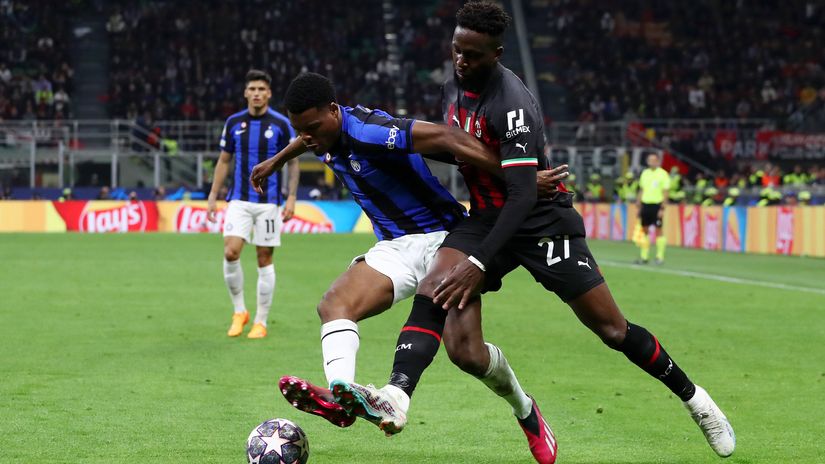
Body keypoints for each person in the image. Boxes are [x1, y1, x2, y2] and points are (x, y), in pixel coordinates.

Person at [330, 2, 735, 462]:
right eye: (457, 50)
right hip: (485, 214)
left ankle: (696, 400)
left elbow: (523, 197)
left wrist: (479, 263)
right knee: (437, 284)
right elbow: (461, 150)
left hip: (541, 221)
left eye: (473, 55)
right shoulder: (451, 89)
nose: (462, 61)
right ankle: (397, 395)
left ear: (497, 52)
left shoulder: (512, 104)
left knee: (612, 329)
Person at [248, 72, 568, 430]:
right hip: (394, 247)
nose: (307, 137)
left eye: (312, 127)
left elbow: (449, 136)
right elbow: (309, 135)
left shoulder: (369, 132)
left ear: (334, 112)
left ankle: (525, 410)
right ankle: (341, 397)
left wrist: (518, 178)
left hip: (446, 241)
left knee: (467, 354)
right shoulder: (322, 132)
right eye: (300, 129)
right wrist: (276, 160)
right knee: (333, 304)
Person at [207, 69, 300, 339]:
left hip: (269, 203)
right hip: (239, 200)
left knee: (264, 258)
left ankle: (261, 321)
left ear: (269, 93)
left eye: (262, 89)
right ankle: (239, 312)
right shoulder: (234, 122)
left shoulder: (282, 124)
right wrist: (213, 195)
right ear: (246, 93)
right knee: (231, 252)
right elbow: (224, 161)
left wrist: (292, 196)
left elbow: (293, 162)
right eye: (253, 89)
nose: (257, 94)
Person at [635, 153, 670, 265]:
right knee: (644, 230)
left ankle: (660, 257)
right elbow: (642, 189)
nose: (652, 162)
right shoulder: (645, 173)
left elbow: (665, 191)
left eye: (654, 160)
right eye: (650, 160)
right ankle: (644, 256)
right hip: (646, 204)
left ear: (658, 161)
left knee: (658, 230)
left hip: (657, 204)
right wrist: (638, 202)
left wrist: (663, 207)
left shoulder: (663, 174)